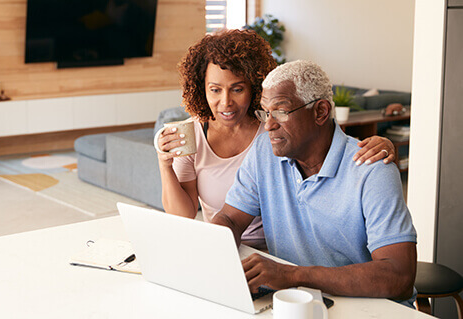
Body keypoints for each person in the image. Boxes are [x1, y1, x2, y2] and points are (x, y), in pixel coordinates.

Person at [156, 29, 396, 249]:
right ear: (202, 88)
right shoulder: (193, 135)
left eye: (237, 89)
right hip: (228, 242)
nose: (226, 102)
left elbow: (329, 144)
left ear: (255, 88)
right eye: (215, 89)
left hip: (282, 249)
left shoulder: (276, 127)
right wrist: (165, 166)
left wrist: (382, 144)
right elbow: (184, 214)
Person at [211, 60, 417, 307]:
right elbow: (230, 219)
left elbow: (399, 276)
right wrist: (216, 256)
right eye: (265, 112)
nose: (268, 124)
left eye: (280, 112)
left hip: (366, 307)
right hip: (296, 302)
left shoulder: (371, 169)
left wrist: (292, 275)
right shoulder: (263, 152)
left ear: (320, 112)